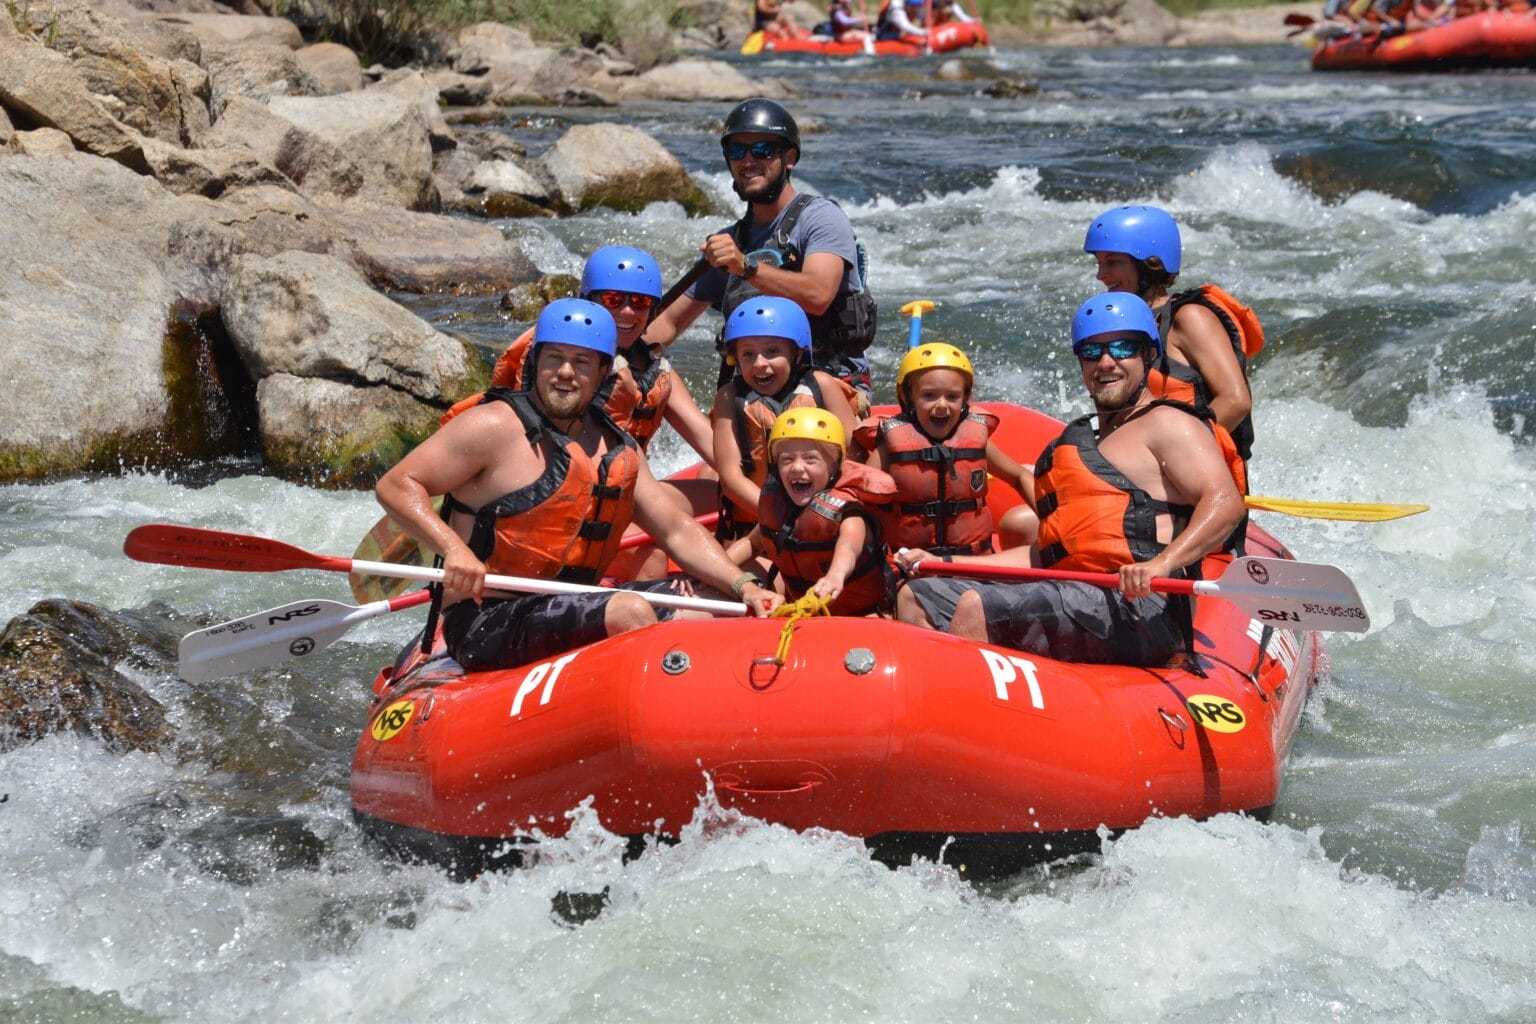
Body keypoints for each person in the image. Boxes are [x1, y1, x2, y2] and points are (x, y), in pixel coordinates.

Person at [376, 298, 781, 671]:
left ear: (604, 371)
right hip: (488, 620)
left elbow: (677, 531)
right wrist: (454, 549)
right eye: (555, 358)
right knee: (629, 612)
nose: (566, 372)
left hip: (574, 604)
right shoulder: (494, 425)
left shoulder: (617, 449)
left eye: (582, 362)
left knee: (725, 602)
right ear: (536, 363)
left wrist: (743, 586)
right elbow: (397, 485)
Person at [895, 293, 1247, 668]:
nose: (1106, 363)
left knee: (975, 607)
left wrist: (1161, 564)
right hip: (1075, 594)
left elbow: (1226, 503)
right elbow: (1047, 555)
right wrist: (942, 563)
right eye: (1092, 353)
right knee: (918, 595)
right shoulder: (1078, 443)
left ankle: (964, 719)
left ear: (1148, 355)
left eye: (1123, 348)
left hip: (1144, 610)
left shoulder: (1169, 423)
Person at [645, 98, 879, 397]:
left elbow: (818, 294)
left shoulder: (821, 218)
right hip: (757, 391)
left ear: (789, 157)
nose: (748, 161)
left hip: (830, 386)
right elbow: (667, 323)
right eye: (737, 151)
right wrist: (608, 355)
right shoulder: (731, 242)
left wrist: (745, 267)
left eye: (762, 150)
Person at [1083, 204, 1261, 462]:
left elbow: (1235, 400)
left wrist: (1162, 457)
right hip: (1145, 477)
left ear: (1149, 264)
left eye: (1112, 262)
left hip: (1194, 480)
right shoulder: (1129, 327)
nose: (1101, 275)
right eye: (1099, 263)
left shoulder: (1190, 318)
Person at [852, 341, 1037, 558]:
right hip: (912, 566)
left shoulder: (976, 440)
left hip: (971, 562)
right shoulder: (890, 447)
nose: (941, 405)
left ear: (965, 399)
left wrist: (1053, 517)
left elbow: (1019, 475)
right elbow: (857, 499)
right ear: (907, 398)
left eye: (952, 397)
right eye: (929, 396)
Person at [711, 296, 860, 539]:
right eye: (748, 354)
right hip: (758, 527)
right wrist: (779, 517)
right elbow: (731, 479)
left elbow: (855, 458)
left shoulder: (822, 387)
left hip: (825, 523)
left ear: (797, 353)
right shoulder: (729, 398)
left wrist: (820, 514)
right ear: (735, 358)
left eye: (772, 351)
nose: (760, 363)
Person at [729, 408, 897, 616]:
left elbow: (849, 547)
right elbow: (750, 544)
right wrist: (717, 569)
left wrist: (835, 575)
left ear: (834, 466)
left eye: (810, 459)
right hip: (804, 611)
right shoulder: (778, 506)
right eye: (787, 460)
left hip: (864, 613)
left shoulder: (850, 513)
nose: (797, 468)